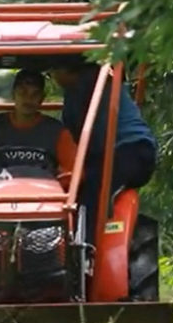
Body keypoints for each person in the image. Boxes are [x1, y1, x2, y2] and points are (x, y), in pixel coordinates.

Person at [50, 61, 158, 241]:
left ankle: (84, 249)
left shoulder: (83, 89)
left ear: (63, 71)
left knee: (89, 193)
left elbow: (81, 141)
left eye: (52, 73)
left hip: (127, 151)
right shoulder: (100, 80)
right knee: (84, 183)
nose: (53, 79)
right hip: (139, 150)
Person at [0, 69, 77, 184]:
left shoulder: (57, 131)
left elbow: (74, 171)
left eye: (35, 94)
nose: (28, 99)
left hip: (44, 192)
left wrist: (58, 177)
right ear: (13, 94)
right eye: (22, 92)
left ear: (42, 98)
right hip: (1, 190)